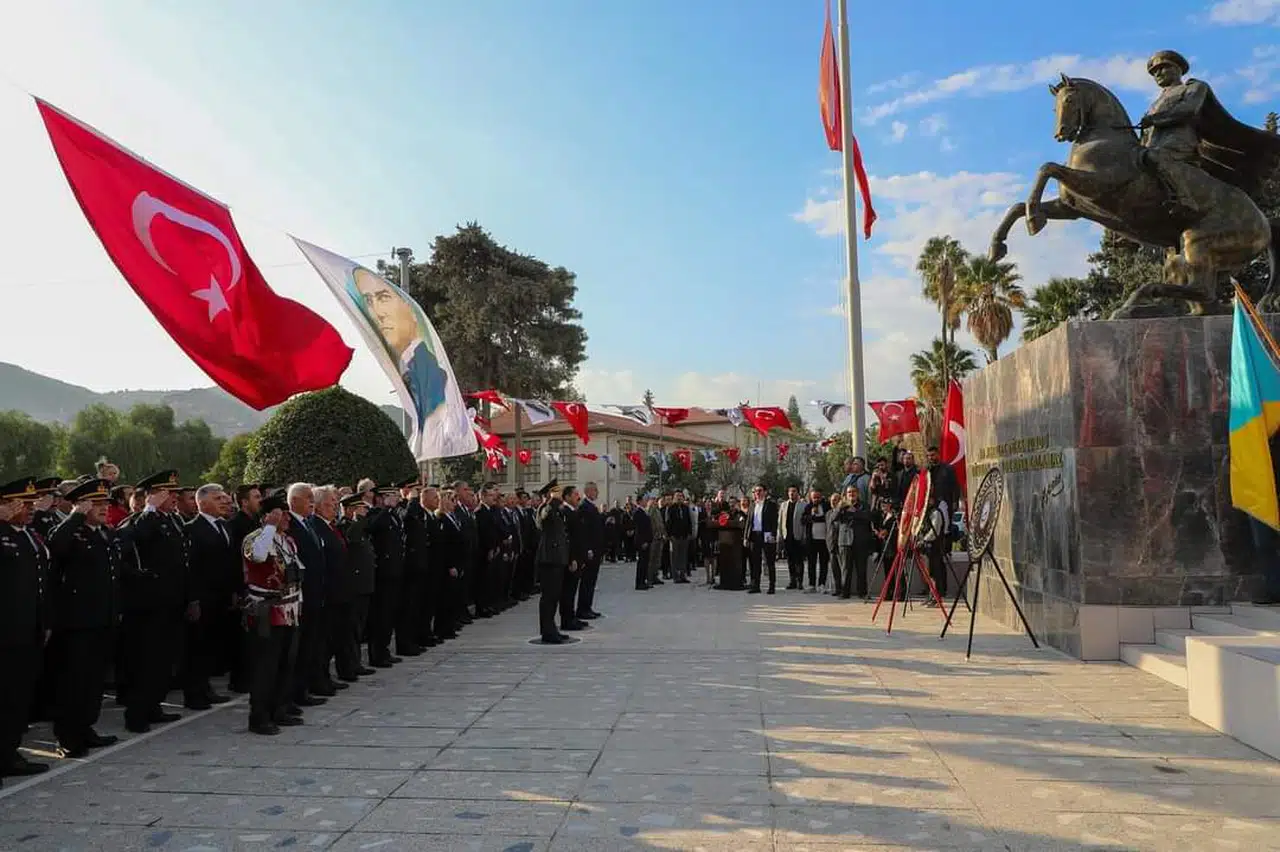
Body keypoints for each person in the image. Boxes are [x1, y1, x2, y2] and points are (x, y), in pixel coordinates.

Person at [118, 469, 188, 734]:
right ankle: (136, 715)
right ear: (151, 496)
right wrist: (149, 509)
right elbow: (135, 540)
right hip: (148, 605)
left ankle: (153, 706)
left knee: (162, 662)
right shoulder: (138, 520)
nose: (172, 498)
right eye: (165, 493)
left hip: (170, 601)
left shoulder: (171, 521)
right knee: (145, 661)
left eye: (172, 493)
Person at [241, 491, 305, 736]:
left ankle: (280, 707)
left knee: (285, 663)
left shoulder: (287, 540)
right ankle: (259, 716)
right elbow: (257, 556)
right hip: (266, 609)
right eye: (280, 514)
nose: (286, 518)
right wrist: (268, 527)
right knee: (265, 666)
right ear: (268, 516)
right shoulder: (255, 538)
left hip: (289, 608)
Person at [0, 477, 51, 779]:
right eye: (24, 504)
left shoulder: (28, 535)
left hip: (28, 628)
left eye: (32, 504)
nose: (31, 509)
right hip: (6, 630)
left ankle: (10, 751)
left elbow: (40, 584)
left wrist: (46, 621)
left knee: (18, 696)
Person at [182, 483, 236, 710]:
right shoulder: (192, 529)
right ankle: (194, 694)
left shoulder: (224, 526)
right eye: (218, 498)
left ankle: (206, 689)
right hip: (203, 598)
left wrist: (234, 591)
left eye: (225, 497)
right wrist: (193, 599)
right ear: (202, 502)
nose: (225, 501)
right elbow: (190, 568)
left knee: (211, 646)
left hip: (221, 596)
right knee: (197, 647)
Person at [534, 479, 571, 644]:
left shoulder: (556, 510)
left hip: (557, 559)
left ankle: (551, 628)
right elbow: (544, 520)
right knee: (549, 597)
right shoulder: (546, 508)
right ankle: (547, 632)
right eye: (557, 492)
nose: (560, 495)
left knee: (554, 596)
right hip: (549, 560)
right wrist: (552, 501)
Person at [575, 482, 606, 620]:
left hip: (596, 549)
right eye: (595, 491)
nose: (597, 493)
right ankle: (582, 609)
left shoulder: (591, 506)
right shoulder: (584, 507)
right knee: (587, 581)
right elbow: (584, 531)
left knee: (591, 581)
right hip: (590, 551)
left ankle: (587, 607)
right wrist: (587, 549)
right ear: (588, 491)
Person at [747, 484, 779, 594]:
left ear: (765, 492)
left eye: (760, 491)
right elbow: (749, 522)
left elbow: (774, 522)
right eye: (755, 491)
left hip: (767, 535)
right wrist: (746, 537)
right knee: (755, 562)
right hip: (755, 535)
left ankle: (772, 585)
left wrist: (773, 535)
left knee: (769, 561)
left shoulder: (771, 505)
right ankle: (755, 585)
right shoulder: (752, 505)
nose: (757, 493)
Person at [665, 491, 694, 583]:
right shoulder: (671, 508)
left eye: (681, 496)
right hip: (674, 536)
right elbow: (668, 523)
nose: (679, 498)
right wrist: (669, 535)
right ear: (674, 497)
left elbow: (689, 521)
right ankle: (675, 576)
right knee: (674, 557)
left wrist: (689, 533)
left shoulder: (685, 508)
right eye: (677, 496)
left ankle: (683, 575)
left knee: (683, 556)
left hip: (684, 536)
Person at [632, 497, 653, 591]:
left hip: (647, 541)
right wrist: (643, 542)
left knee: (645, 562)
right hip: (642, 542)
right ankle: (639, 582)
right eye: (644, 500)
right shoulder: (638, 512)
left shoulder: (644, 511)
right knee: (642, 562)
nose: (646, 502)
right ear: (640, 502)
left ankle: (643, 581)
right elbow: (639, 530)